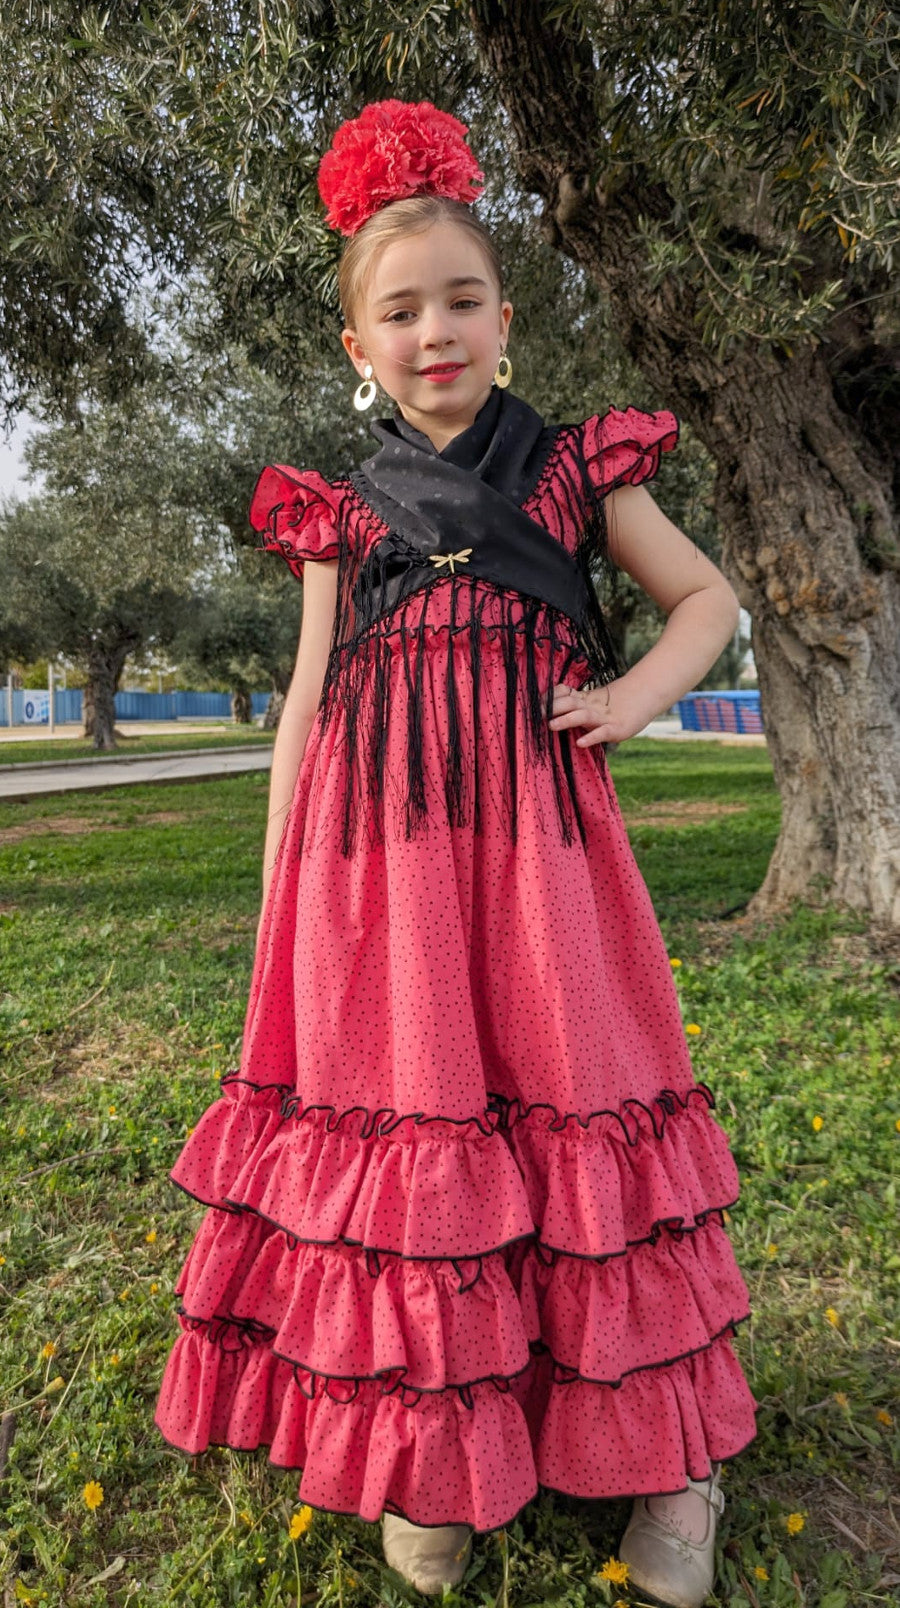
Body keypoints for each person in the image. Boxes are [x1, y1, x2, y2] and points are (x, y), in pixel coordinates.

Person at [153, 99, 758, 1607]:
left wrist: (627, 697)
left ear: (505, 320)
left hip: (544, 869)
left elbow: (708, 605)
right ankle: (439, 1455)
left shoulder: (575, 470)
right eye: (400, 311)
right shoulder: (335, 514)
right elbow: (305, 701)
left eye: (464, 300)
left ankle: (673, 1468)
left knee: (579, 1108)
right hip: (383, 886)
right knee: (418, 1130)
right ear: (357, 348)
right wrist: (286, 878)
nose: (437, 331)